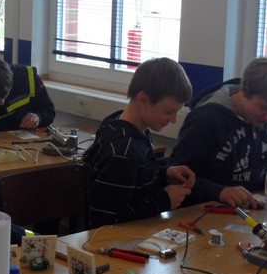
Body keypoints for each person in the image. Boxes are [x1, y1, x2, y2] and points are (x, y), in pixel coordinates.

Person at [167, 56, 267, 208]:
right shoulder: (206, 119)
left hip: (251, 207)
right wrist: (219, 191)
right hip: (204, 209)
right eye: (264, 108)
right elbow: (177, 176)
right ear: (244, 92)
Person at [83, 58, 196, 227]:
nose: (173, 120)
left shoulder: (125, 125)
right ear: (143, 99)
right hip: (117, 240)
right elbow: (107, 221)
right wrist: (165, 199)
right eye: (168, 112)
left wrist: (164, 173)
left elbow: (134, 180)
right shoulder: (124, 150)